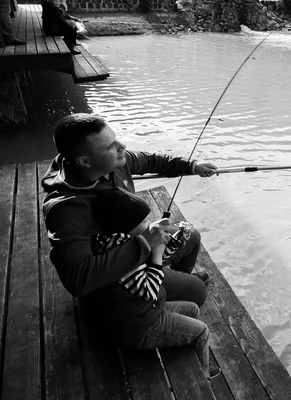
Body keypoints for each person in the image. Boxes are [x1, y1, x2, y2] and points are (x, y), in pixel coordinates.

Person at [41, 113, 220, 378]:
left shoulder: (113, 161)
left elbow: (150, 160)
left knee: (190, 237)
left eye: (116, 140)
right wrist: (145, 244)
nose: (122, 147)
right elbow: (78, 278)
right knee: (197, 294)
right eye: (111, 146)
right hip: (117, 281)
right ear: (84, 160)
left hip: (138, 250)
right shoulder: (64, 209)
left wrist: (192, 166)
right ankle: (157, 297)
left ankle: (168, 281)